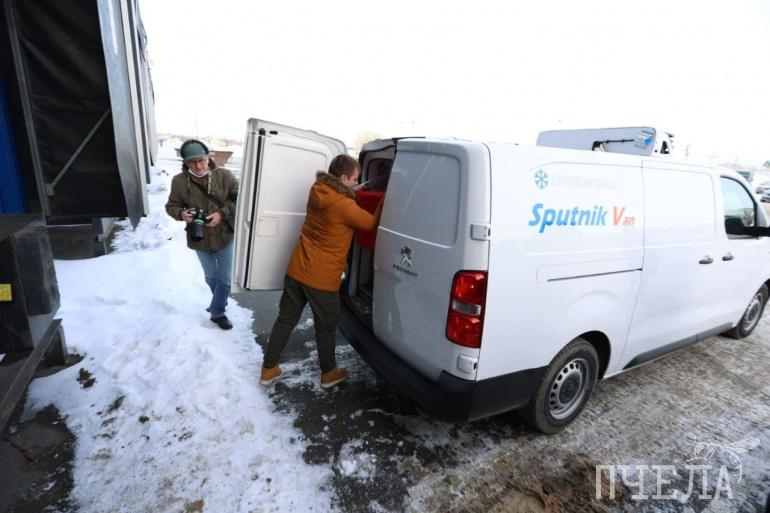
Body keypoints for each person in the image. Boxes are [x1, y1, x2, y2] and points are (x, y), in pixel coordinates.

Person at [260, 154, 382, 388]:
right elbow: (369, 224)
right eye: (354, 179)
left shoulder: (317, 190)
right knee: (325, 327)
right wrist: (383, 203)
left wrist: (353, 193)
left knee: (285, 320)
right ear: (343, 178)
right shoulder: (344, 205)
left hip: (297, 269)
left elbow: (340, 202)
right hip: (322, 278)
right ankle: (328, 373)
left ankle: (268, 369)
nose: (357, 183)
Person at [165, 139, 238, 330]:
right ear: (185, 162)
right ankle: (219, 301)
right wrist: (181, 214)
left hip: (224, 236)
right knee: (211, 278)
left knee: (225, 280)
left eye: (201, 160)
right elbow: (171, 206)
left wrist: (222, 214)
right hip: (199, 237)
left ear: (208, 157)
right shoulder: (179, 181)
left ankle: (217, 312)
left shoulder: (225, 176)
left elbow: (241, 199)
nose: (198, 166)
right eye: (192, 162)